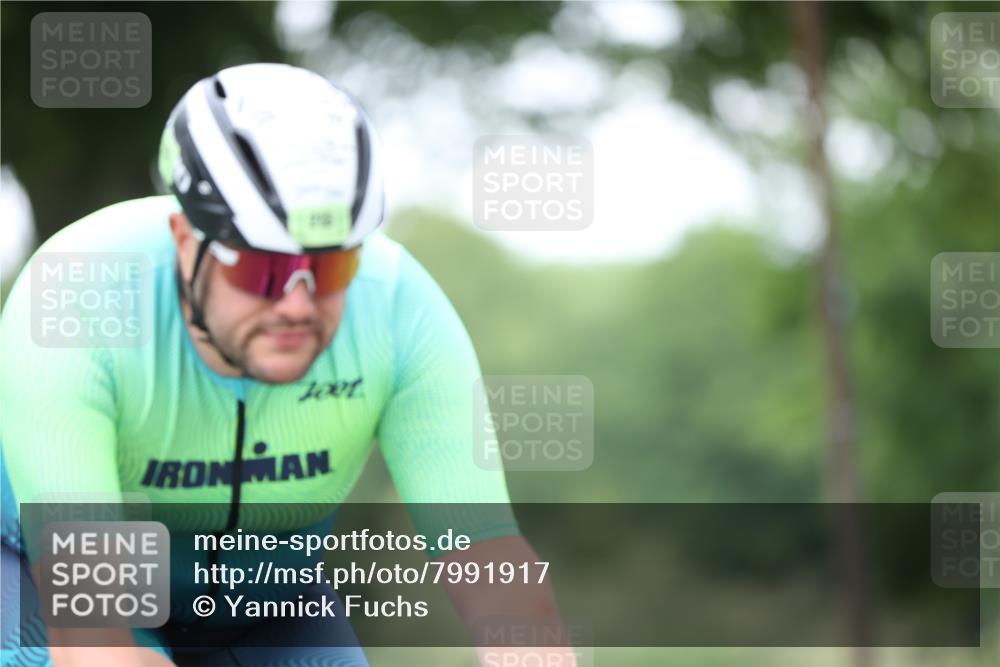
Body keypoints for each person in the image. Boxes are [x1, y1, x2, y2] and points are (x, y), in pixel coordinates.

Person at [1, 63, 568, 666]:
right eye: (261, 271)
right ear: (186, 241)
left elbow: (485, 555)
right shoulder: (74, 298)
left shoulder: (400, 307)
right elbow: (94, 646)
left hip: (268, 603)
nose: (296, 305)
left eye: (329, 269)